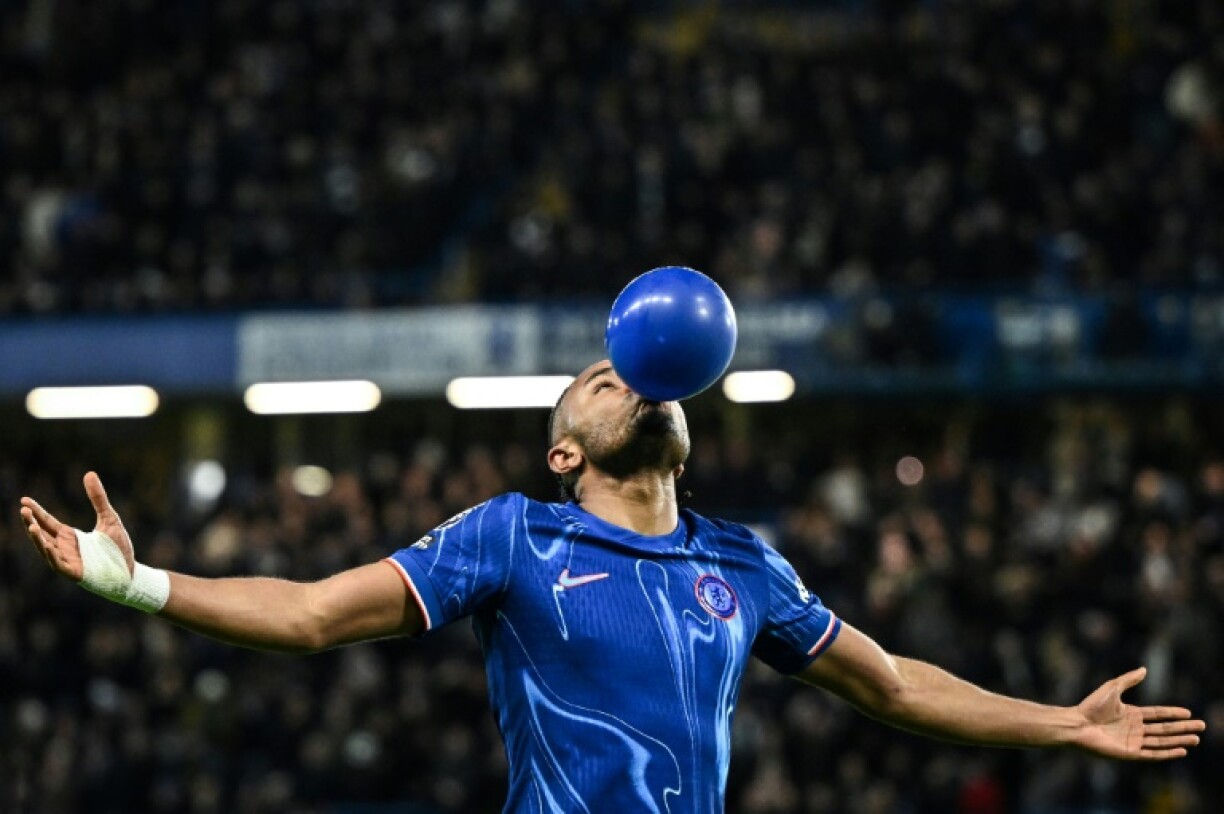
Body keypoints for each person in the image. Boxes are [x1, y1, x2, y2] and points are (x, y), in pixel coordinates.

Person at [20, 359, 1206, 812]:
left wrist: (1062, 722)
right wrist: (143, 584)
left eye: (638, 373)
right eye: (600, 378)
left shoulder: (744, 562)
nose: (628, 377)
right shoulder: (513, 536)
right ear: (563, 453)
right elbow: (315, 612)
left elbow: (892, 684)